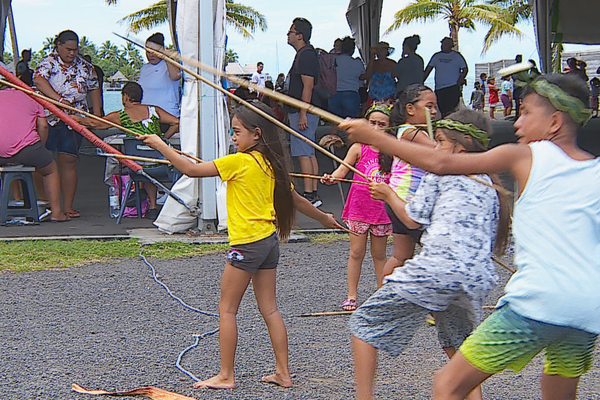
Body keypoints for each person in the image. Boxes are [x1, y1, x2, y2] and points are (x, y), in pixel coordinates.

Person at [344, 74, 600, 400]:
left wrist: (374, 137)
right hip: (587, 310)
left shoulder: (527, 156)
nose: (517, 123)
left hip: (537, 303)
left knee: (447, 385)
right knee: (558, 391)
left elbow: (440, 163)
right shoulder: (594, 170)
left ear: (553, 122)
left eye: (524, 113)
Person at [139, 102, 342, 390]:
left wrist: (160, 144)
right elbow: (297, 200)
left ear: (256, 134)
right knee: (269, 309)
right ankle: (283, 373)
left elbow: (190, 169)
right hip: (268, 241)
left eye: (237, 132)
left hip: (247, 244)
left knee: (227, 309)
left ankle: (226, 375)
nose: (233, 138)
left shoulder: (239, 162)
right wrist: (324, 218)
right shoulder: (271, 164)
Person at [345, 108, 509, 400]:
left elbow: (411, 219)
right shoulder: (489, 182)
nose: (437, 148)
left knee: (364, 324)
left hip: (438, 269)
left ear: (459, 146)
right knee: (460, 346)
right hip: (476, 277)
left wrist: (388, 194)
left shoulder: (441, 170)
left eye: (441, 141)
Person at [321, 104, 394, 311]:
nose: (376, 127)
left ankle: (382, 293)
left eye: (382, 124)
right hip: (359, 209)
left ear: (389, 128)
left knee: (380, 254)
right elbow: (342, 170)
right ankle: (352, 295)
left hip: (381, 211)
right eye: (373, 123)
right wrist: (331, 178)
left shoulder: (392, 150)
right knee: (356, 252)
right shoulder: (358, 148)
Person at [75, 82, 179, 220]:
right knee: (149, 166)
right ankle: (152, 206)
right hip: (158, 162)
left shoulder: (121, 115)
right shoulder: (155, 110)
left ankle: (136, 192)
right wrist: (163, 140)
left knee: (133, 164)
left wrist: (77, 119)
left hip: (136, 166)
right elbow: (176, 122)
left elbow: (96, 123)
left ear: (125, 97)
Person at [33, 30, 101, 219]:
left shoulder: (86, 67)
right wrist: (58, 100)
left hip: (74, 120)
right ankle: (44, 201)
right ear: (59, 45)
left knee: (69, 161)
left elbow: (94, 87)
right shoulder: (48, 63)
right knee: (43, 161)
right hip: (49, 118)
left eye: (75, 50)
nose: (71, 53)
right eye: (68, 49)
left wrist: (96, 112)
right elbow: (39, 80)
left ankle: (68, 205)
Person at [381, 84, 437, 279]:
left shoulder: (416, 132)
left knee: (401, 256)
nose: (435, 112)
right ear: (410, 109)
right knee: (435, 254)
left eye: (436, 107)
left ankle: (384, 296)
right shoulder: (409, 131)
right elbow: (440, 154)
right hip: (407, 201)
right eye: (429, 106)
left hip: (400, 199)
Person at [0, 82, 68, 222]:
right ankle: (56, 212)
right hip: (28, 147)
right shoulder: (33, 97)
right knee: (50, 169)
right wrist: (40, 147)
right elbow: (43, 126)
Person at [286, 17, 322, 207]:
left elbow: (308, 86)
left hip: (303, 110)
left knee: (303, 152)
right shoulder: (305, 54)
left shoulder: (306, 55)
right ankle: (312, 191)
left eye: (291, 32)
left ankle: (310, 193)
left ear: (300, 35)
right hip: (305, 110)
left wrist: (302, 113)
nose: (288, 35)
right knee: (308, 151)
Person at [137, 32, 181, 125]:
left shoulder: (169, 66)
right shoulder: (144, 68)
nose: (151, 55)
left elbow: (175, 76)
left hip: (168, 117)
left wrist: (166, 57)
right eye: (148, 51)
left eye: (154, 52)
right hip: (147, 119)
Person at [423, 37, 468, 117]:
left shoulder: (457, 56)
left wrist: (459, 80)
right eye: (442, 44)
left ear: (451, 45)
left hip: (452, 86)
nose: (443, 46)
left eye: (445, 44)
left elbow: (465, 69)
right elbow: (428, 69)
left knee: (451, 109)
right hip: (440, 88)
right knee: (442, 109)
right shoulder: (437, 56)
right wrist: (422, 81)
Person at [328, 36, 365, 120]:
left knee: (334, 122)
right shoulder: (357, 63)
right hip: (351, 93)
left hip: (334, 93)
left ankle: (334, 133)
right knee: (351, 123)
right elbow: (363, 77)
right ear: (352, 50)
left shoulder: (333, 61)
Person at [361, 41, 397, 106]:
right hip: (373, 95)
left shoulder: (392, 64)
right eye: (377, 50)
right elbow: (367, 75)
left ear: (386, 51)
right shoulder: (373, 63)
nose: (379, 52)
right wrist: (372, 60)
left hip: (388, 95)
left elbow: (398, 78)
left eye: (381, 50)